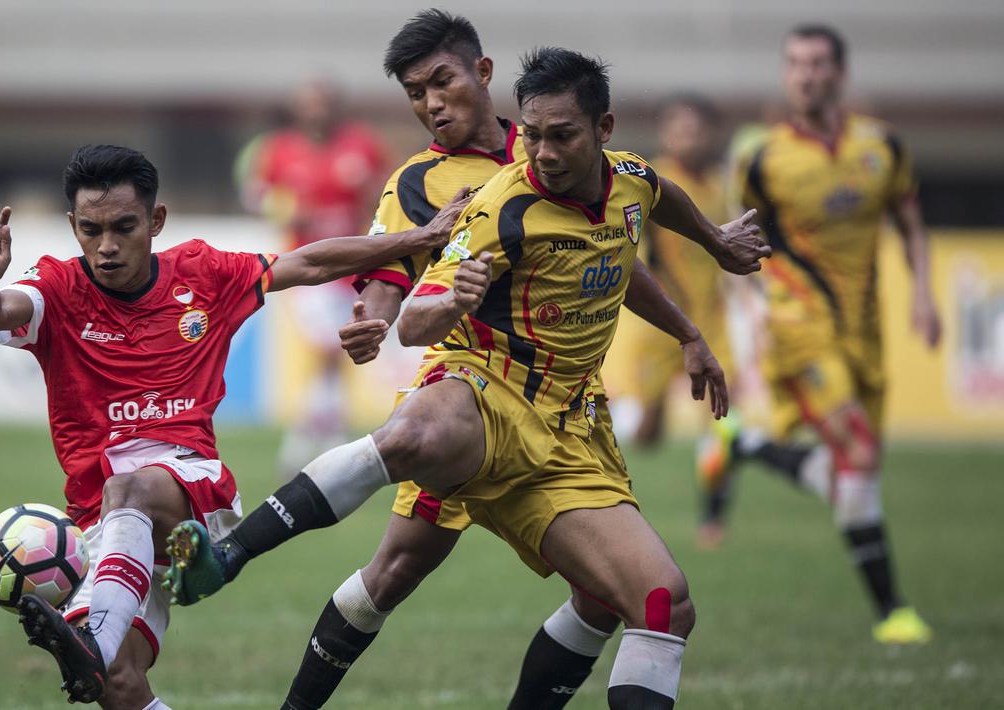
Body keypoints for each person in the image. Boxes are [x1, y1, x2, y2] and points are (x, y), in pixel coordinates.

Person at [167, 47, 770, 710]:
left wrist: (705, 276)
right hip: (477, 397)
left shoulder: (587, 161)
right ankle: (232, 555)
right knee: (399, 526)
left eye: (441, 82)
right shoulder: (446, 189)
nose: (430, 102)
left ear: (482, 75)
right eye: (414, 92)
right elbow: (400, 290)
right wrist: (386, 312)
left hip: (569, 421)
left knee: (636, 601)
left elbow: (628, 233)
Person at [0, 144, 467, 706]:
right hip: (98, 516)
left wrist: (417, 239)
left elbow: (310, 263)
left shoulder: (203, 272)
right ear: (73, 227)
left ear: (155, 221)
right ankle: (98, 648)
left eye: (123, 227)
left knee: (127, 496)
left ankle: (91, 638)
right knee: (118, 683)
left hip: (190, 489)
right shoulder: (56, 287)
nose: (106, 246)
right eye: (90, 229)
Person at [701, 24, 940, 644]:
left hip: (864, 328)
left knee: (855, 475)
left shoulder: (882, 146)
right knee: (856, 453)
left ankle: (750, 448)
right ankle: (893, 611)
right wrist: (752, 305)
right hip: (796, 324)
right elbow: (735, 240)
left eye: (817, 63)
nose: (806, 74)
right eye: (795, 64)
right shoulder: (762, 157)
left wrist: (922, 292)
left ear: (839, 72)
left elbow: (910, 222)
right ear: (787, 75)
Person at [239, 79, 390, 478]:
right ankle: (308, 436)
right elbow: (256, 195)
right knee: (329, 345)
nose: (315, 111)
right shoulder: (280, 151)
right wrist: (285, 211)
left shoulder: (362, 146)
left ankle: (326, 434)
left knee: (339, 350)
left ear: (335, 106)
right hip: (305, 267)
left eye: (322, 103)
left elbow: (386, 191)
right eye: (308, 104)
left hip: (354, 264)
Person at [620, 94, 741, 548]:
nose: (685, 138)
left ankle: (712, 518)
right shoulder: (648, 181)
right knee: (649, 433)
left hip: (713, 322)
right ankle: (603, 416)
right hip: (660, 325)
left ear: (709, 135)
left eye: (694, 129)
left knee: (724, 423)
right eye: (677, 129)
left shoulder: (719, 189)